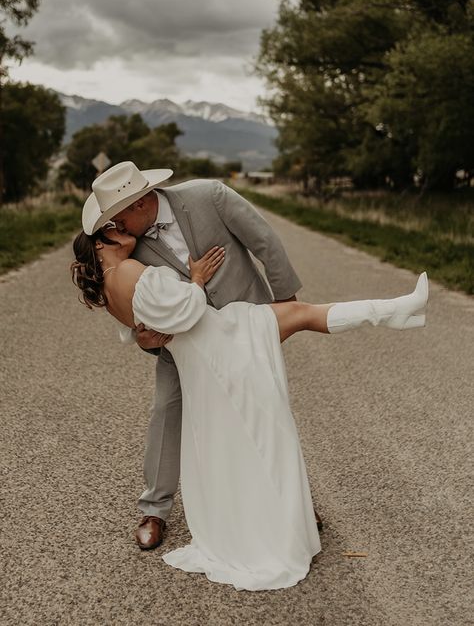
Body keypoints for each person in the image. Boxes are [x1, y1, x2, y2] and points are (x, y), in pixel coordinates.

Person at [71, 223, 428, 591]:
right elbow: (185, 311)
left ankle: (397, 310)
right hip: (219, 342)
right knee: (265, 416)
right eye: (112, 230)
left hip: (209, 346)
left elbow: (143, 328)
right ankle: (397, 310)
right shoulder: (128, 269)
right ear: (101, 245)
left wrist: (145, 328)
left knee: (300, 319)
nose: (123, 229)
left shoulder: (108, 288)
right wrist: (196, 279)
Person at [81, 161, 316, 551]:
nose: (115, 229)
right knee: (166, 410)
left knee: (266, 409)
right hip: (184, 343)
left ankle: (293, 505)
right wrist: (145, 340)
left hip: (246, 327)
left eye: (117, 218)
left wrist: (285, 306)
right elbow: (132, 305)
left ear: (140, 203)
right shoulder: (128, 247)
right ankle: (154, 509)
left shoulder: (210, 196)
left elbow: (265, 242)